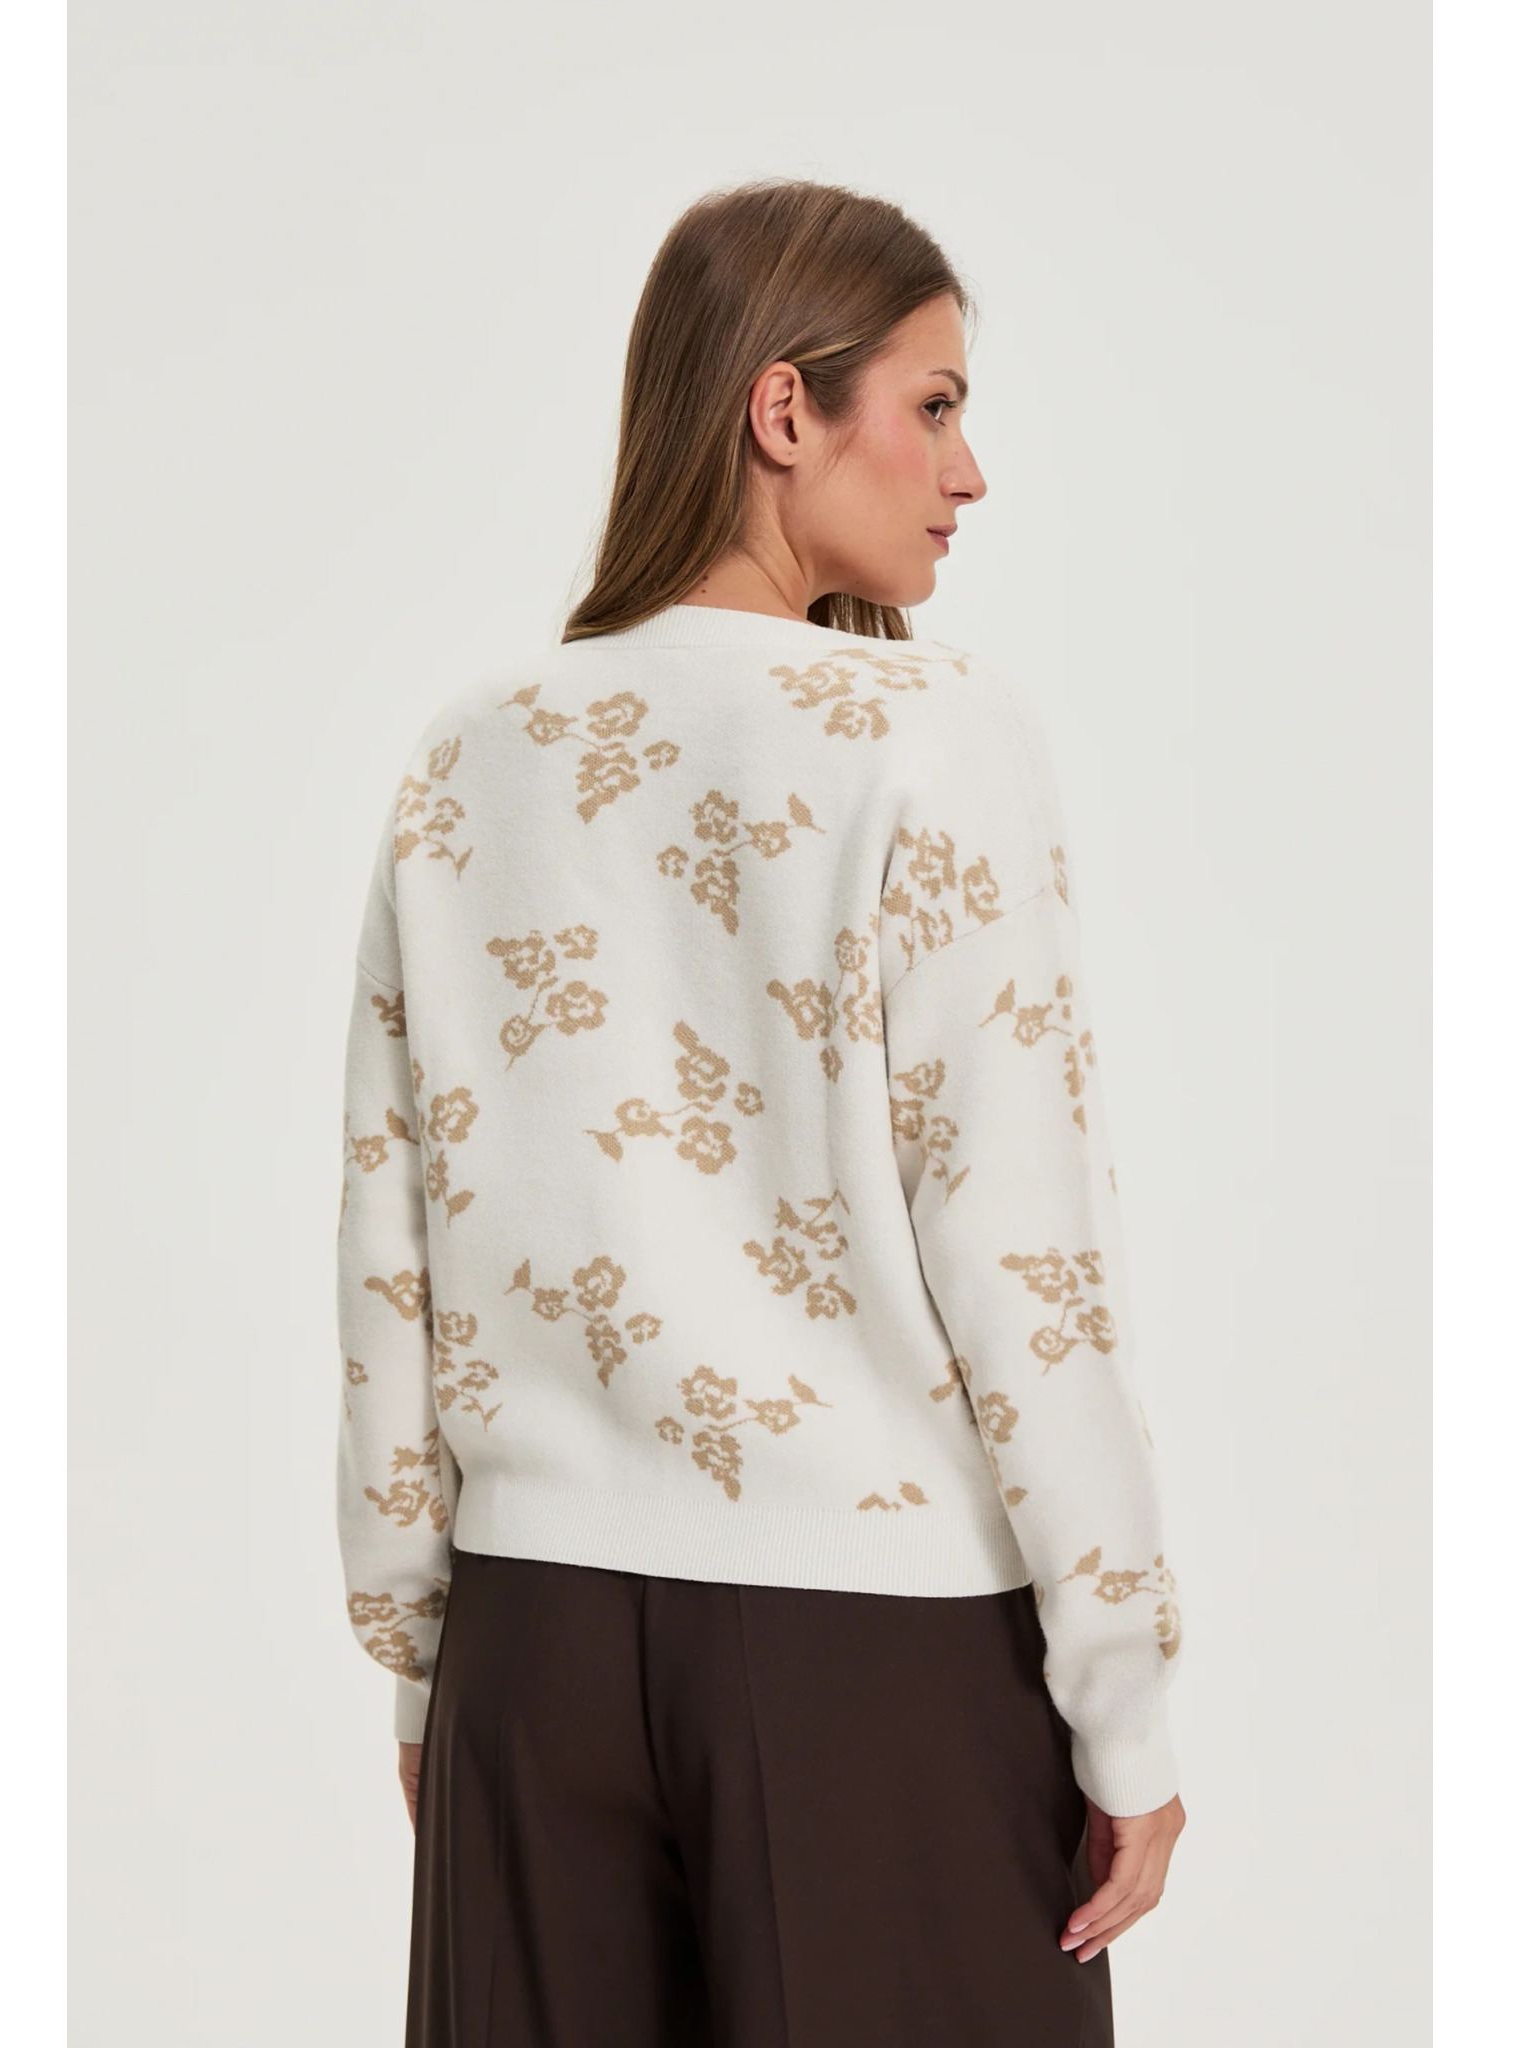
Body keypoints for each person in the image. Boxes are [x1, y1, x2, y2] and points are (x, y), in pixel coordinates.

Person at [335, 176, 1187, 2047]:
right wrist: (1120, 1700)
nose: (969, 474)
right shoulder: (932, 735)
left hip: (529, 1649)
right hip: (870, 1655)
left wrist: (423, 1666)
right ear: (783, 409)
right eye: (935, 406)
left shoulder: (471, 752)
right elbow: (1024, 1257)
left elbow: (393, 1244)